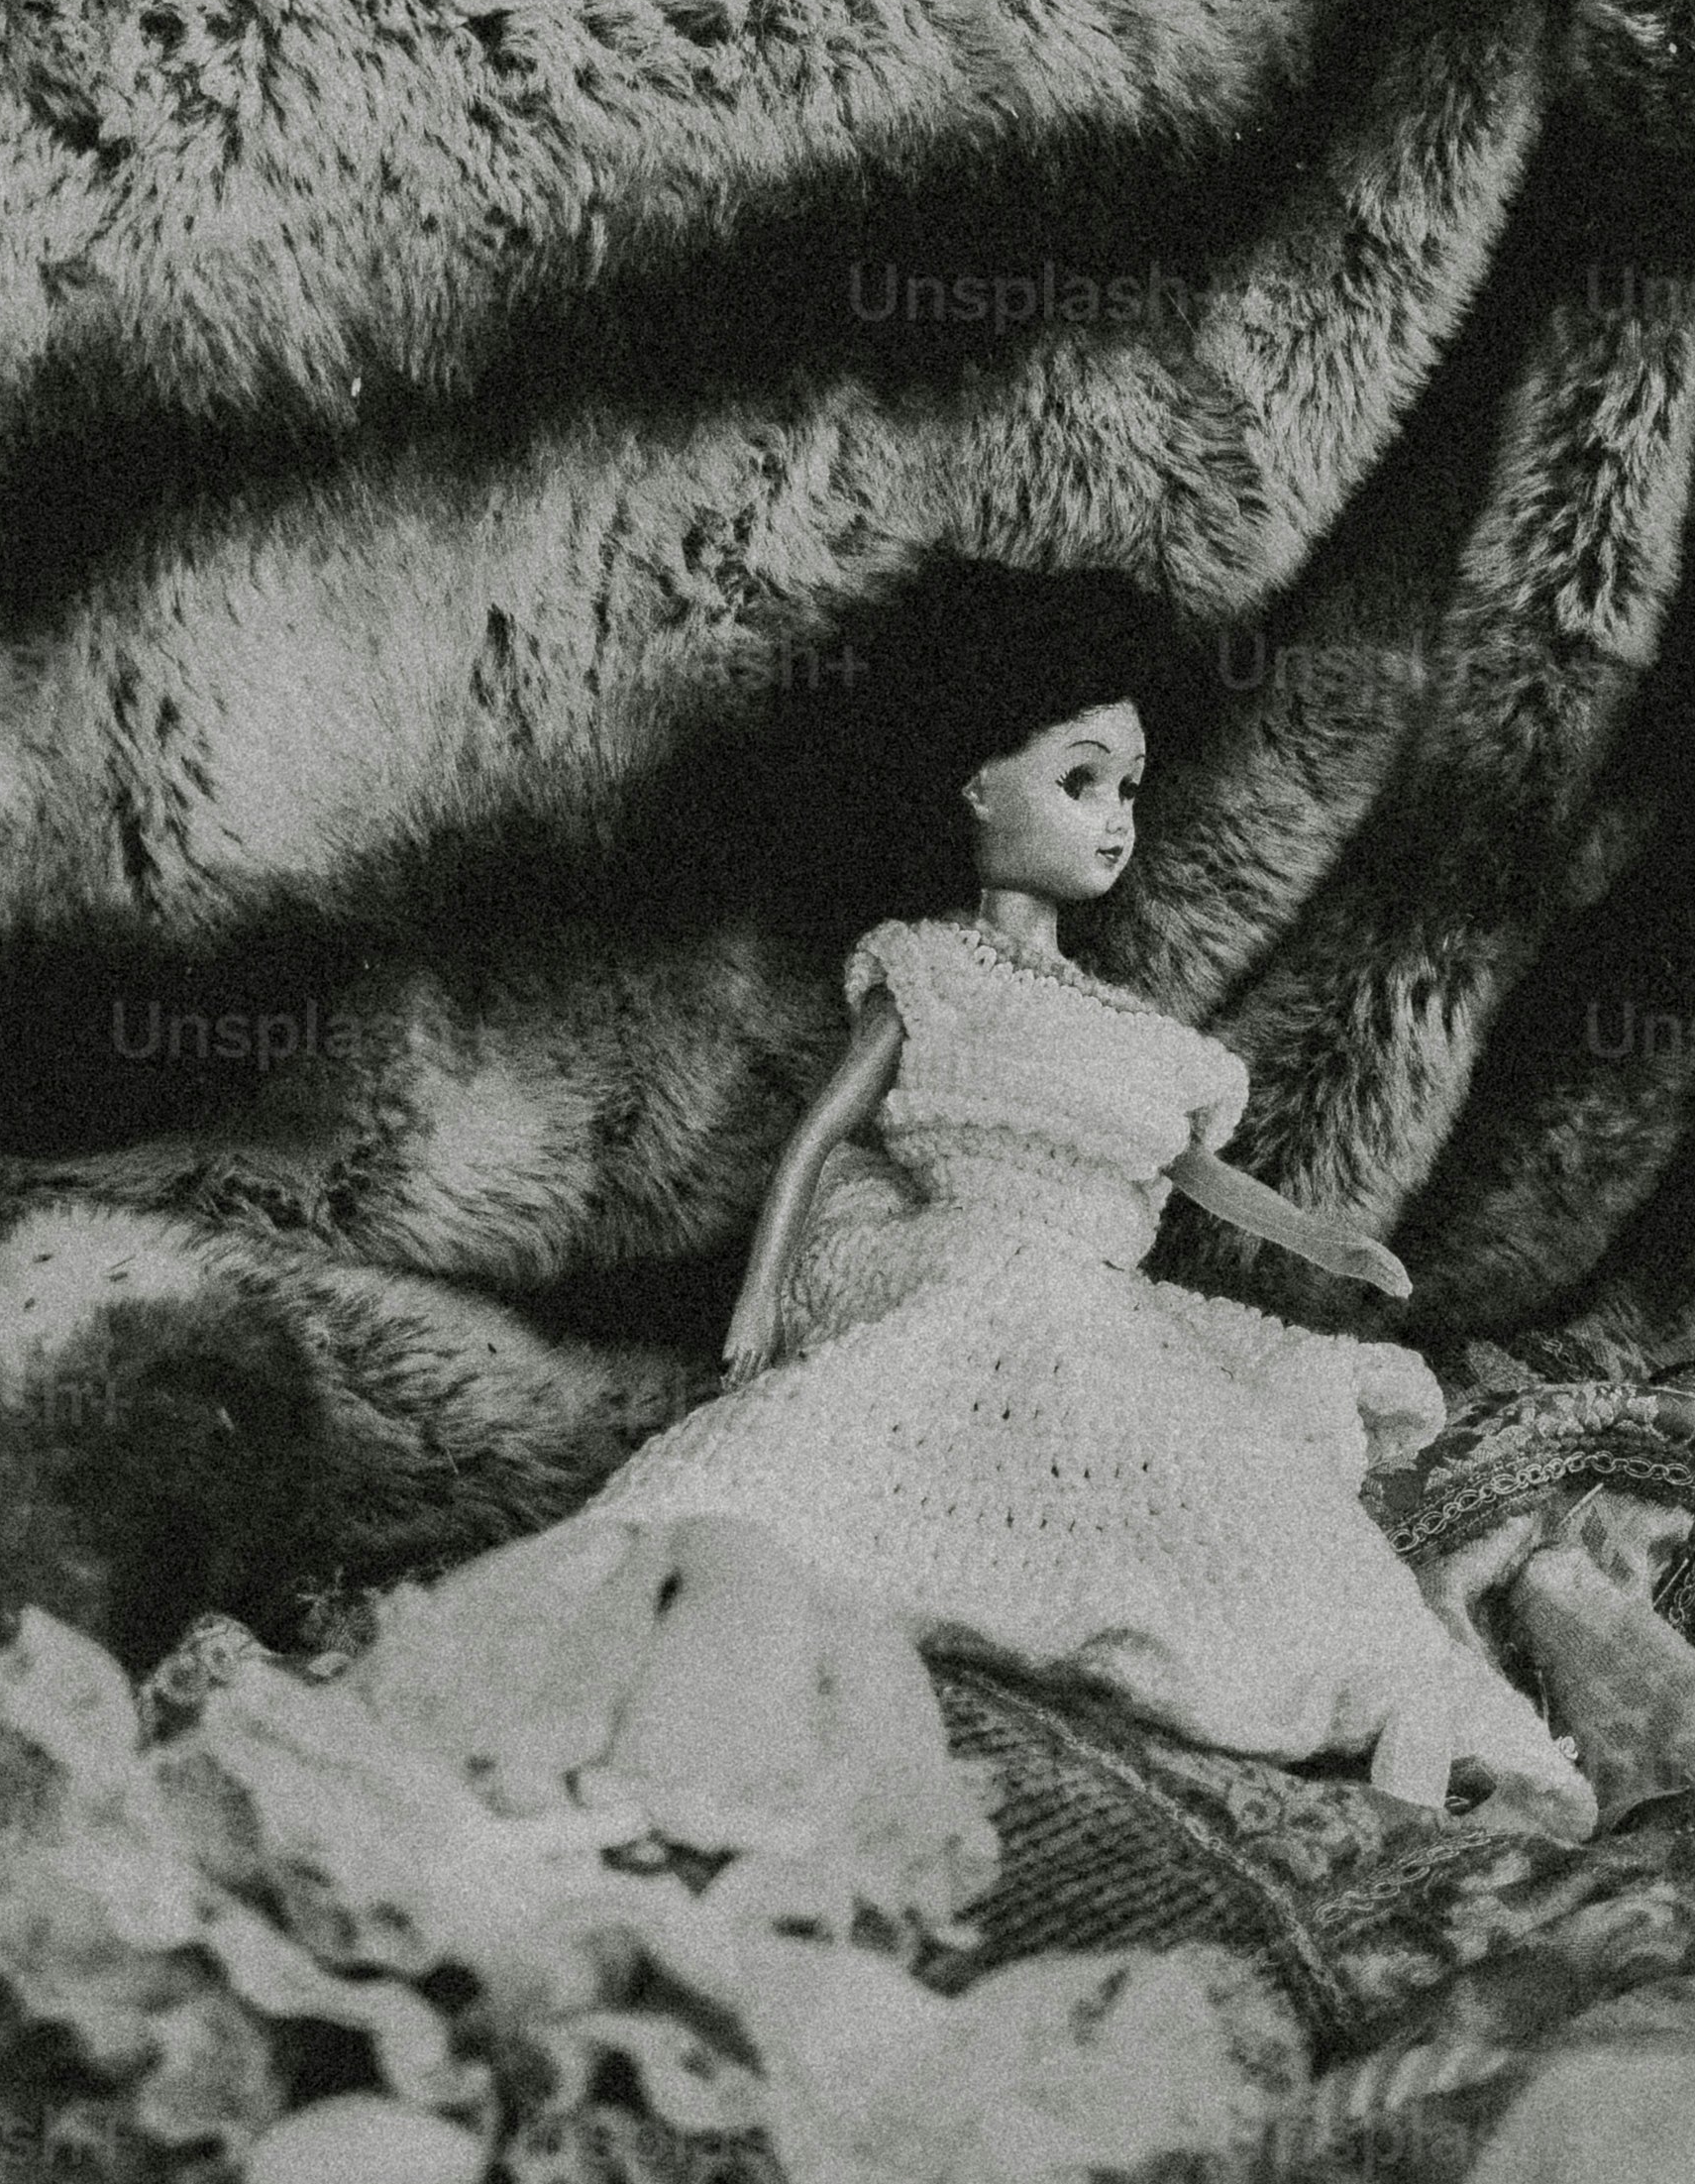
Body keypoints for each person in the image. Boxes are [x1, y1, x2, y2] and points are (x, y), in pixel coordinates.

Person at [577, 571, 1589, 1817]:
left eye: (1126, 790)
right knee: (825, 1452)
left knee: (1231, 1484)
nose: (1113, 819)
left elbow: (1196, 1173)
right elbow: (820, 1139)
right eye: (1080, 780)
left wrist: (1332, 1243)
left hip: (1091, 1294)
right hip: (958, 1265)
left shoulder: (1132, 1033)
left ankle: (1397, 1700)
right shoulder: (932, 969)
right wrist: (756, 1299)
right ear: (975, 789)